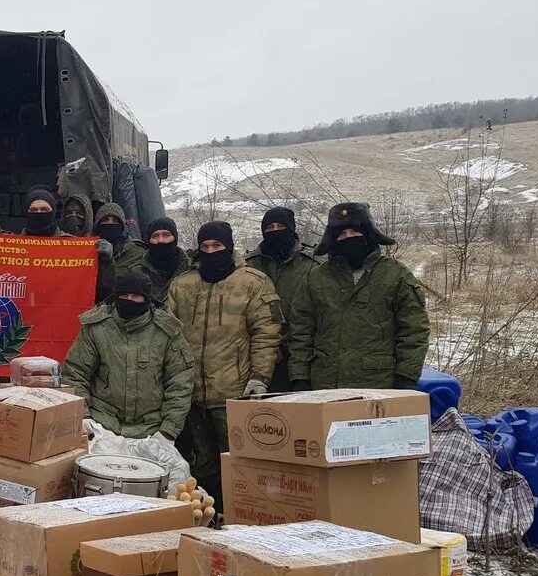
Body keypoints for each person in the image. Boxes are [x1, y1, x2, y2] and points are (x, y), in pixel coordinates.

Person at [166, 220, 282, 509]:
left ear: (228, 247)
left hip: (235, 392)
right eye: (205, 246)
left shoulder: (252, 283)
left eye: (217, 246)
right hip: (192, 395)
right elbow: (167, 335)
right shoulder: (183, 285)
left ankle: (243, 515)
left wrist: (259, 378)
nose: (211, 251)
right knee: (202, 466)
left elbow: (266, 333)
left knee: (240, 462)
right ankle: (209, 517)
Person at [290, 202, 429, 391]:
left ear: (368, 233)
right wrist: (299, 375)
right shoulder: (315, 278)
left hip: (378, 385)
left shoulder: (395, 274)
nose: (348, 238)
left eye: (354, 232)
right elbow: (300, 331)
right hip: (325, 384)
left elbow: (414, 330)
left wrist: (406, 375)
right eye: (342, 234)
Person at [64, 270, 194, 440]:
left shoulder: (167, 331)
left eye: (135, 296)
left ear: (146, 298)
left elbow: (180, 382)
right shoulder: (96, 327)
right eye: (124, 295)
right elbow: (75, 373)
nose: (129, 300)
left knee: (177, 467)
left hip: (152, 428)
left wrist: (169, 430)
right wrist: (83, 416)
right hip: (102, 424)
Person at [246, 207, 322, 392]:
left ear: (292, 228)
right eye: (269, 227)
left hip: (305, 355)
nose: (275, 231)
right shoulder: (249, 265)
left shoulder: (313, 264)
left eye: (280, 226)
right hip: (259, 357)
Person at [93, 202, 147, 302]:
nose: (110, 224)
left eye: (115, 220)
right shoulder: (90, 252)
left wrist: (108, 263)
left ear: (122, 226)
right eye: (105, 220)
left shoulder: (138, 252)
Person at [142, 216, 191, 298]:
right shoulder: (137, 270)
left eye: (166, 235)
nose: (160, 240)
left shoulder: (190, 269)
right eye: (155, 236)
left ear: (175, 239)